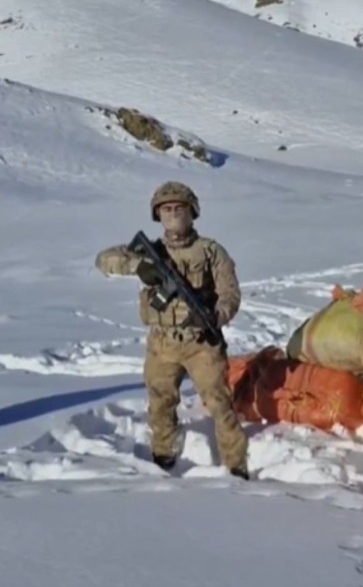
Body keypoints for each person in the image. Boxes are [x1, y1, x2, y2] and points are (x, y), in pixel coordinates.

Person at [94, 181, 250, 479]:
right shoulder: (150, 252)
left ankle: (236, 464)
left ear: (193, 212)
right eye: (166, 209)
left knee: (220, 404)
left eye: (180, 208)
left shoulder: (211, 251)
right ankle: (163, 454)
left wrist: (217, 315)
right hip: (162, 343)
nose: (174, 214)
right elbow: (103, 261)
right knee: (160, 401)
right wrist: (140, 267)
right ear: (157, 215)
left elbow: (230, 293)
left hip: (201, 342)